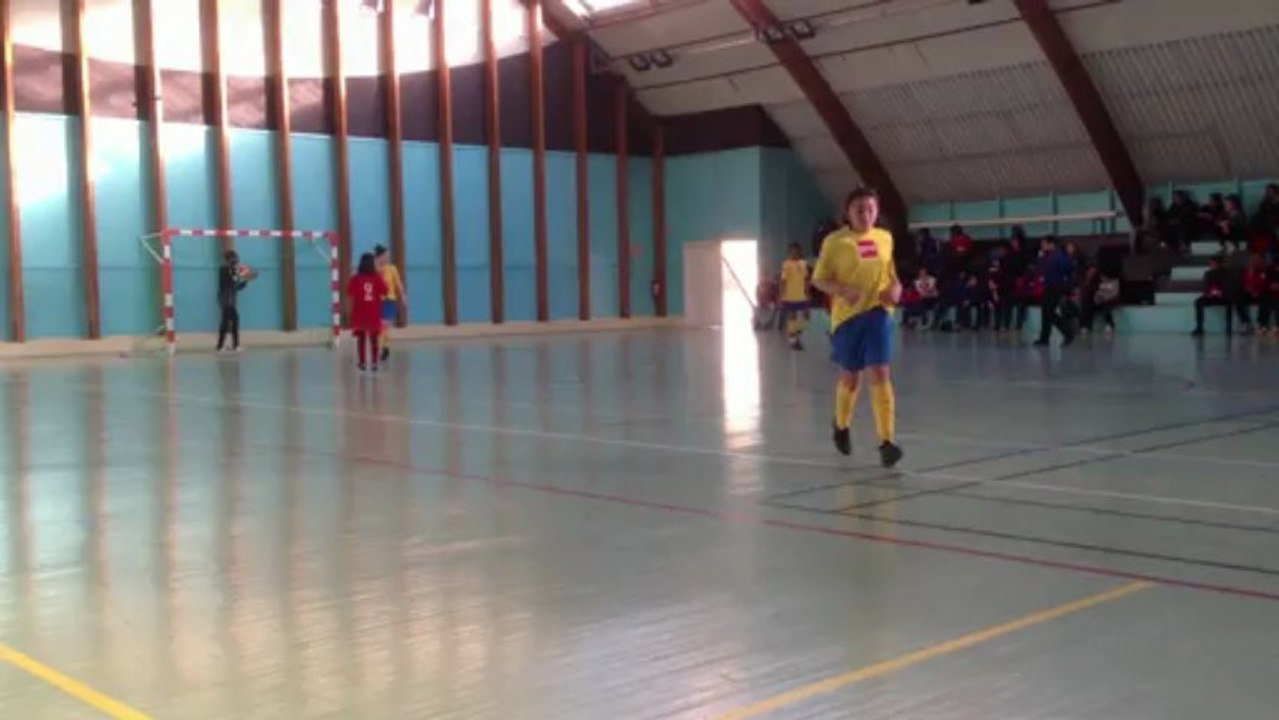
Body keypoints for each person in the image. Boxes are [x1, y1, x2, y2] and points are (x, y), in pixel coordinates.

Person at [811, 187, 903, 467]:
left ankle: (886, 441)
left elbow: (892, 275)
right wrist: (842, 290)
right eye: (859, 210)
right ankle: (841, 425)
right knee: (851, 377)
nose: (866, 215)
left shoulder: (885, 238)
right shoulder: (835, 242)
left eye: (871, 209)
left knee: (880, 371)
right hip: (848, 318)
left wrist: (896, 289)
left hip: (879, 313)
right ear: (848, 213)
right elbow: (819, 279)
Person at [347, 253, 389, 371]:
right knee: (374, 338)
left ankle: (362, 362)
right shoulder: (377, 277)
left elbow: (349, 291)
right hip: (373, 311)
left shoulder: (356, 278)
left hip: (360, 311)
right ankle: (374, 362)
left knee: (361, 338)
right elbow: (385, 290)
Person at [1191, 255, 1248, 336]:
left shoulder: (1226, 273)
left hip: (1223, 296)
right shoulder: (1208, 274)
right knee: (1198, 302)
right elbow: (1205, 286)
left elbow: (1229, 286)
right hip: (1211, 296)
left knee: (1230, 300)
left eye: (1213, 264)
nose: (1211, 265)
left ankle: (1228, 328)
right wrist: (1208, 293)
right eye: (1210, 264)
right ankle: (1199, 327)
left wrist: (1221, 292)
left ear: (1218, 264)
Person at [1034, 238, 1075, 347]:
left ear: (1051, 244)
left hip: (1055, 286)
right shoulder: (1051, 256)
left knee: (1049, 312)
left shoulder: (1056, 256)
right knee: (1046, 312)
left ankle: (1067, 332)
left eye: (1044, 244)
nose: (1042, 246)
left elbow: (1043, 269)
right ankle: (1044, 337)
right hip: (1050, 286)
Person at [216, 250, 255, 353]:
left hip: (230, 300)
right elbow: (232, 278)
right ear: (229, 259)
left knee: (227, 322)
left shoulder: (233, 270)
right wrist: (241, 272)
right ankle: (233, 345)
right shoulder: (223, 269)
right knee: (232, 321)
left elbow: (236, 286)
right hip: (225, 300)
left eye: (236, 258)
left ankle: (222, 346)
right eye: (234, 258)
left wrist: (246, 281)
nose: (236, 260)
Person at [373, 245, 406, 362]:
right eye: (385, 255)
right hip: (377, 301)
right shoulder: (373, 269)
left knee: (384, 325)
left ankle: (380, 348)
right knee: (380, 326)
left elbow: (398, 284)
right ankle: (385, 347)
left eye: (388, 255)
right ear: (380, 256)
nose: (387, 257)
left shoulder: (392, 269)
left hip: (389, 301)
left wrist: (403, 296)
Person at [778, 243, 811, 350]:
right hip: (790, 295)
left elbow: (806, 280)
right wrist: (781, 295)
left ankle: (796, 334)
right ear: (789, 252)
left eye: (797, 251)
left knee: (806, 317)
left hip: (802, 295)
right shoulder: (786, 264)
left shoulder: (803, 264)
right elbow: (783, 281)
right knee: (793, 317)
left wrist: (808, 293)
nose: (795, 253)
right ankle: (793, 341)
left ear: (800, 252)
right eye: (792, 251)